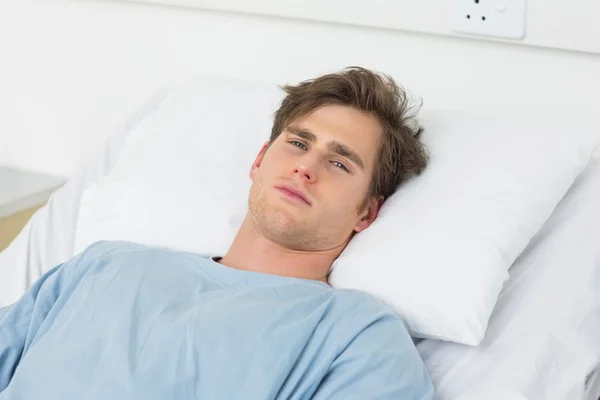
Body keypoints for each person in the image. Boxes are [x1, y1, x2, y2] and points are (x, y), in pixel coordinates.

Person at [0, 67, 433, 399]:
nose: (306, 167)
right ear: (259, 160)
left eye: (339, 163)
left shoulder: (356, 335)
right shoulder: (100, 265)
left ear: (367, 212)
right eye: (298, 143)